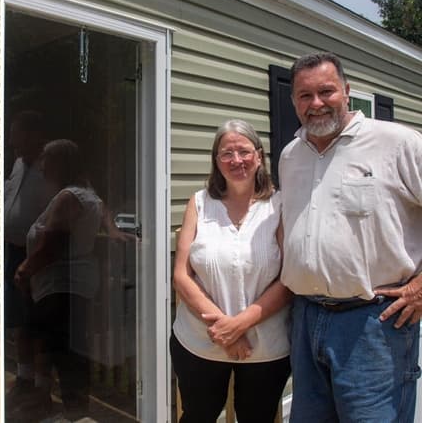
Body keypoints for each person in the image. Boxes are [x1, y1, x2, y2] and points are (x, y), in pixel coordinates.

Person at [279, 52, 422, 422]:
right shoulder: (291, 156)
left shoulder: (397, 143)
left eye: (326, 91)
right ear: (293, 101)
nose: (316, 104)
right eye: (304, 96)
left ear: (347, 91)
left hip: (374, 324)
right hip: (306, 317)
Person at [171, 119, 291, 423]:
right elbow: (181, 276)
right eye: (226, 153)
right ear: (216, 161)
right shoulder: (199, 203)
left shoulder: (278, 206)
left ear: (259, 156)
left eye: (244, 151)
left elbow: (288, 278)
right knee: (197, 417)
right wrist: (226, 331)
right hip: (199, 341)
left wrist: (239, 325)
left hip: (264, 347)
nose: (236, 160)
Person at [13, 139, 109, 420]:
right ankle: (62, 408)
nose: (42, 164)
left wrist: (25, 269)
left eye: (47, 158)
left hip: (61, 285)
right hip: (68, 286)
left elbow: (53, 244)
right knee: (62, 349)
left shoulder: (69, 197)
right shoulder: (87, 195)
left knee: (65, 353)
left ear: (60, 163)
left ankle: (76, 413)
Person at [3, 110, 55, 419]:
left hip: (41, 254)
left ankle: (42, 391)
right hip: (14, 251)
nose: (12, 142)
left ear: (34, 135)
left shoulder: (51, 163)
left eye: (17, 135)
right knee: (21, 323)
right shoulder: (20, 162)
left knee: (40, 327)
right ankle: (23, 380)